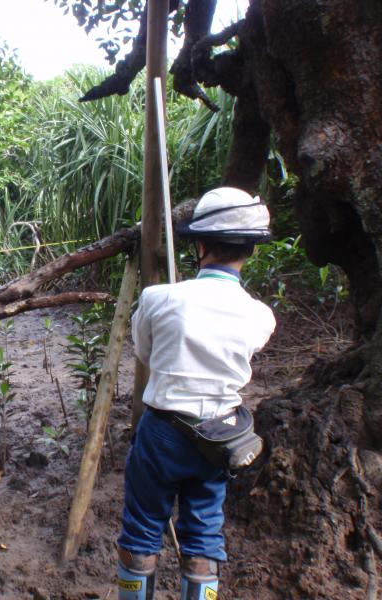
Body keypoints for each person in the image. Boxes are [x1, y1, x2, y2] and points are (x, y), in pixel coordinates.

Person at [116, 187, 277, 600]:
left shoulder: (159, 299)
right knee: (204, 534)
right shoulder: (261, 317)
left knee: (141, 530)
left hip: (163, 432)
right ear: (251, 250)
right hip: (220, 437)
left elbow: (145, 353)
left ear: (201, 244)